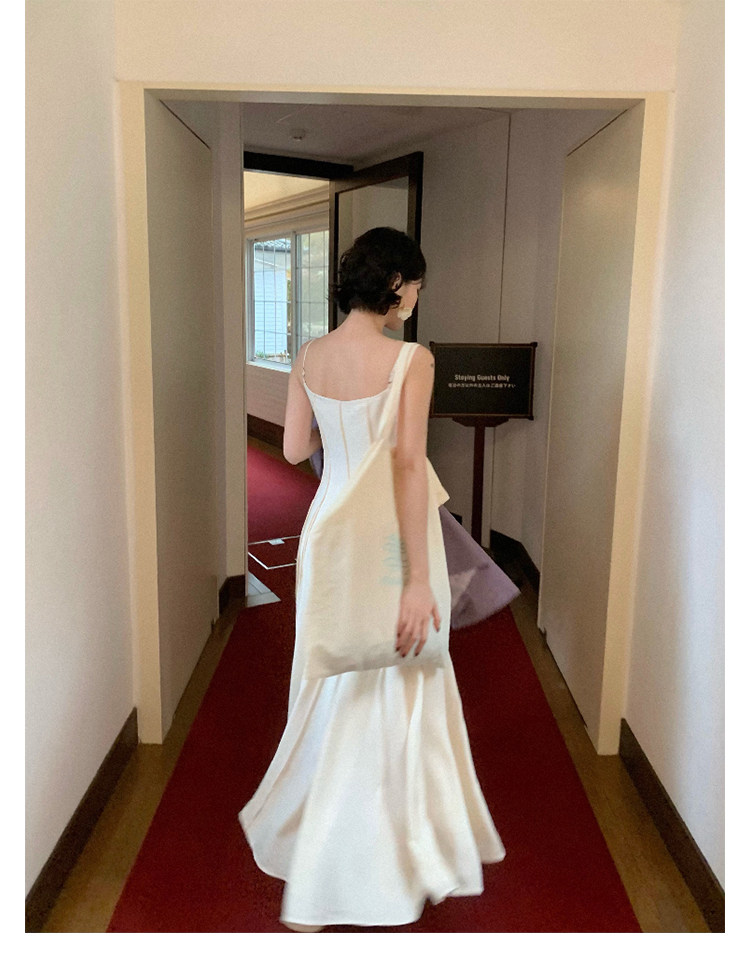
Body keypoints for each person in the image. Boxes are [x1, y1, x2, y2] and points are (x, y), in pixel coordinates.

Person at [238, 227, 505, 932]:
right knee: (400, 679)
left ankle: (319, 841)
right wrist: (418, 578)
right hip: (391, 534)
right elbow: (409, 464)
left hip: (328, 533)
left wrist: (341, 422)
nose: (415, 297)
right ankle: (383, 849)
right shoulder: (412, 358)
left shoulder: (309, 354)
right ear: (394, 284)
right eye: (414, 285)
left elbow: (293, 448)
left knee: (332, 678)